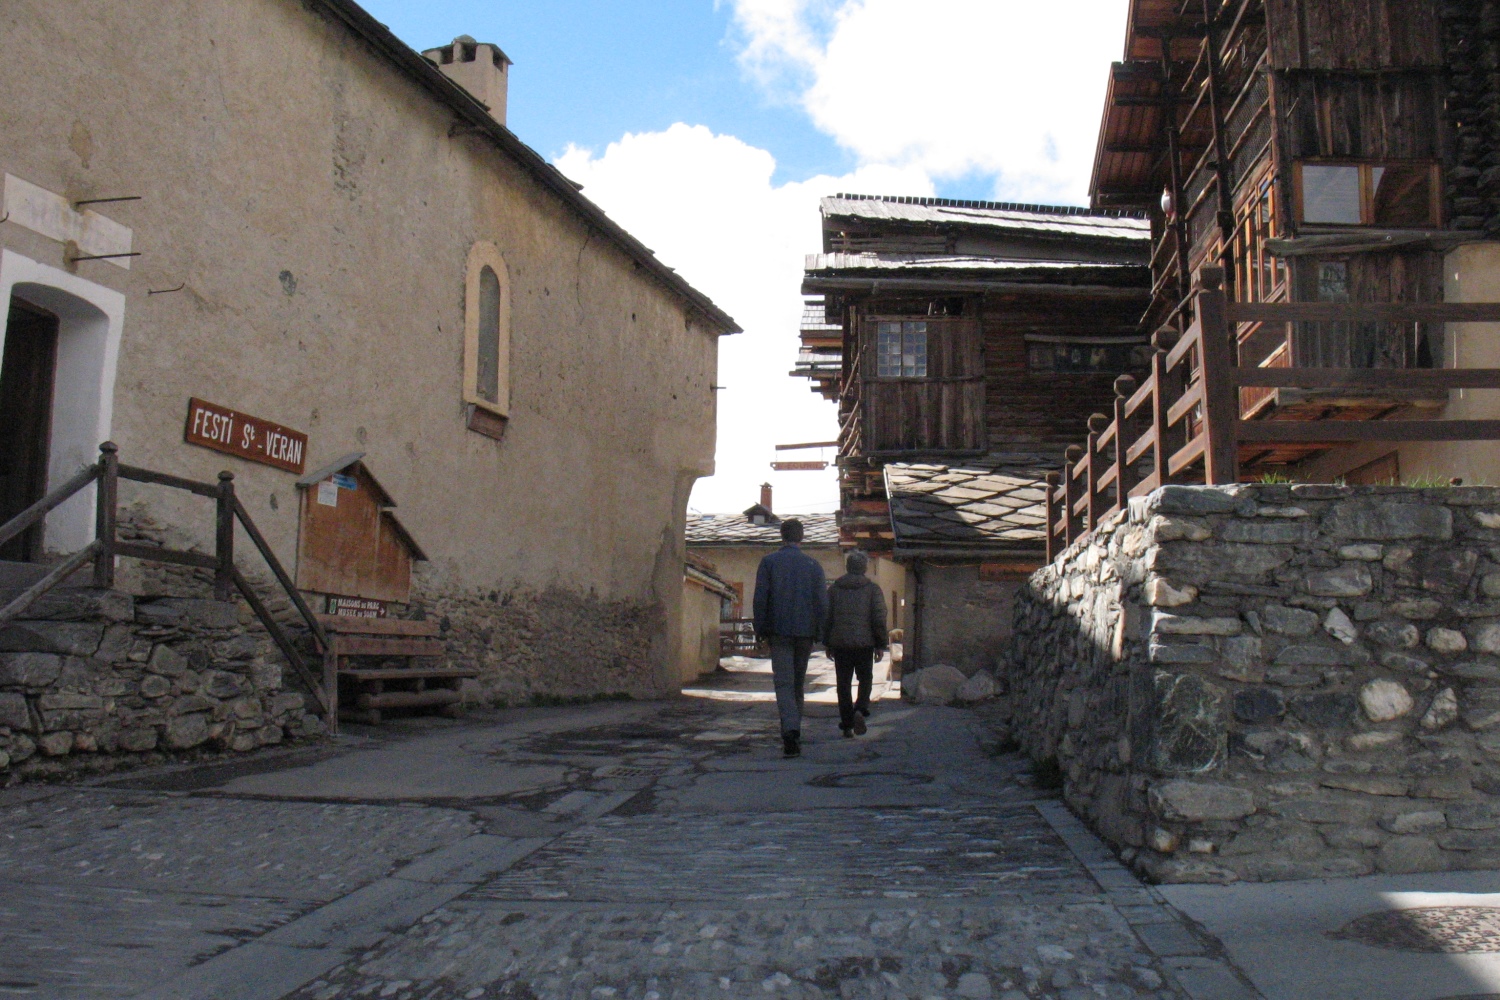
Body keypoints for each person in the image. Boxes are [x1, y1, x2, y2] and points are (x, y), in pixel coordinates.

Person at [752, 518, 828, 758]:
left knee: (784, 683)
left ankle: (790, 731)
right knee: (797, 683)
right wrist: (820, 631)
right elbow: (822, 603)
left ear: (781, 536)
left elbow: (760, 599)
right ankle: (795, 730)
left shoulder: (769, 563)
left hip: (779, 630)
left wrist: (761, 629)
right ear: (801, 537)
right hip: (805, 632)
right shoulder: (813, 565)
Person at [823, 550, 887, 738]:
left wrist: (827, 642)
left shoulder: (834, 590)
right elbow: (879, 617)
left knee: (843, 684)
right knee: (865, 679)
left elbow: (827, 617)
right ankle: (860, 708)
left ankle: (847, 724)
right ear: (865, 568)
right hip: (864, 643)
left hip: (841, 643)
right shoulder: (873, 589)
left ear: (847, 567)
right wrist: (880, 643)